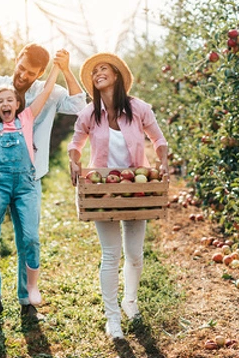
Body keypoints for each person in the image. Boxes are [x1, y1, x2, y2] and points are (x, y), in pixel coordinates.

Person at [0, 44, 85, 327]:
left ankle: (26, 303)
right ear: (16, 60)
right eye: (20, 68)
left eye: (30, 73)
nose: (22, 75)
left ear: (40, 74)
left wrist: (67, 70)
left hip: (28, 181)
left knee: (28, 240)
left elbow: (80, 107)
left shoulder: (48, 92)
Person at [67, 53, 169, 339]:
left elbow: (158, 139)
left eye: (104, 68)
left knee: (135, 255)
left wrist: (162, 161)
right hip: (104, 191)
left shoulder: (138, 108)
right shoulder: (89, 113)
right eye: (94, 71)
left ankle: (130, 302)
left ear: (116, 76)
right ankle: (113, 319)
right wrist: (74, 160)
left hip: (137, 189)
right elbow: (75, 143)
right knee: (111, 255)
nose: (98, 73)